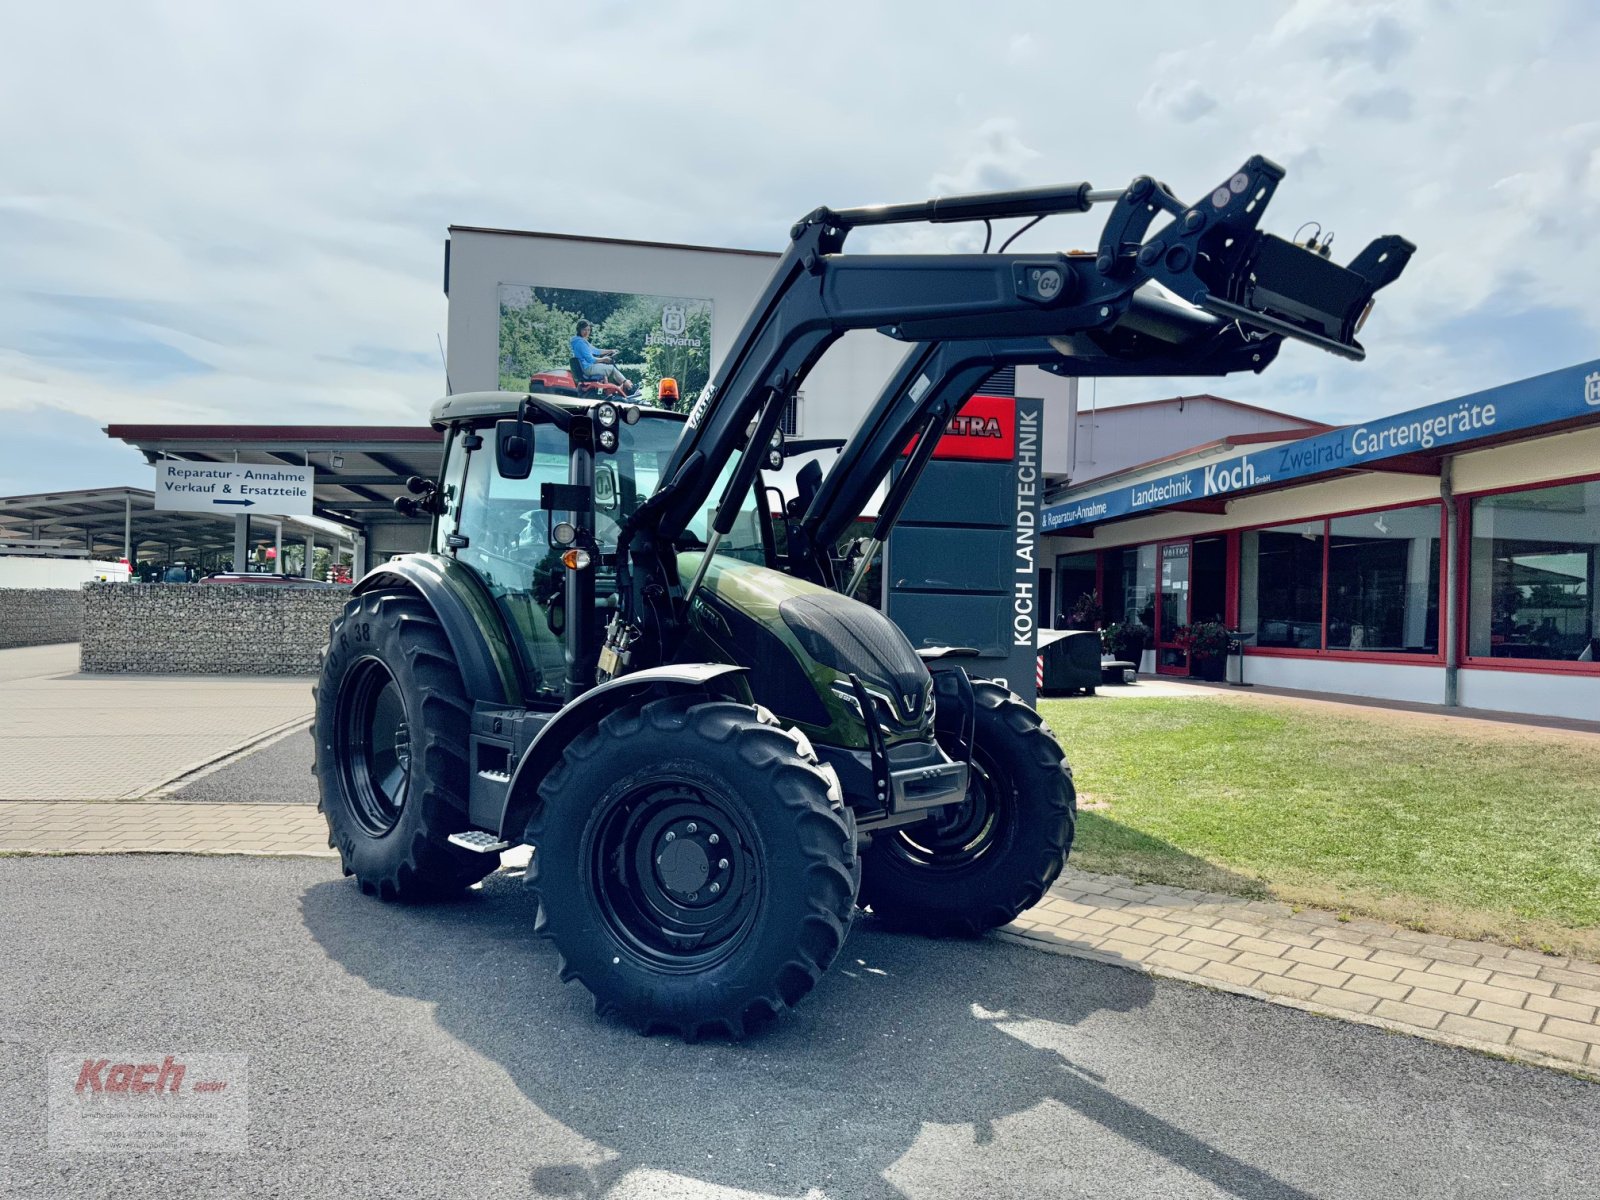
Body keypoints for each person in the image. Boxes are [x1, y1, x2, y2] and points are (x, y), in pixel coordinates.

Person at [570, 321, 638, 394]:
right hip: (588, 368)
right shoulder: (581, 343)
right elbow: (591, 359)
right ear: (579, 330)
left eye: (588, 330)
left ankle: (609, 391)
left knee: (606, 369)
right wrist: (604, 359)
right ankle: (629, 388)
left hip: (585, 367)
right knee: (611, 369)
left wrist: (610, 350)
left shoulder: (580, 341)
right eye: (584, 330)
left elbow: (596, 351)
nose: (587, 332)